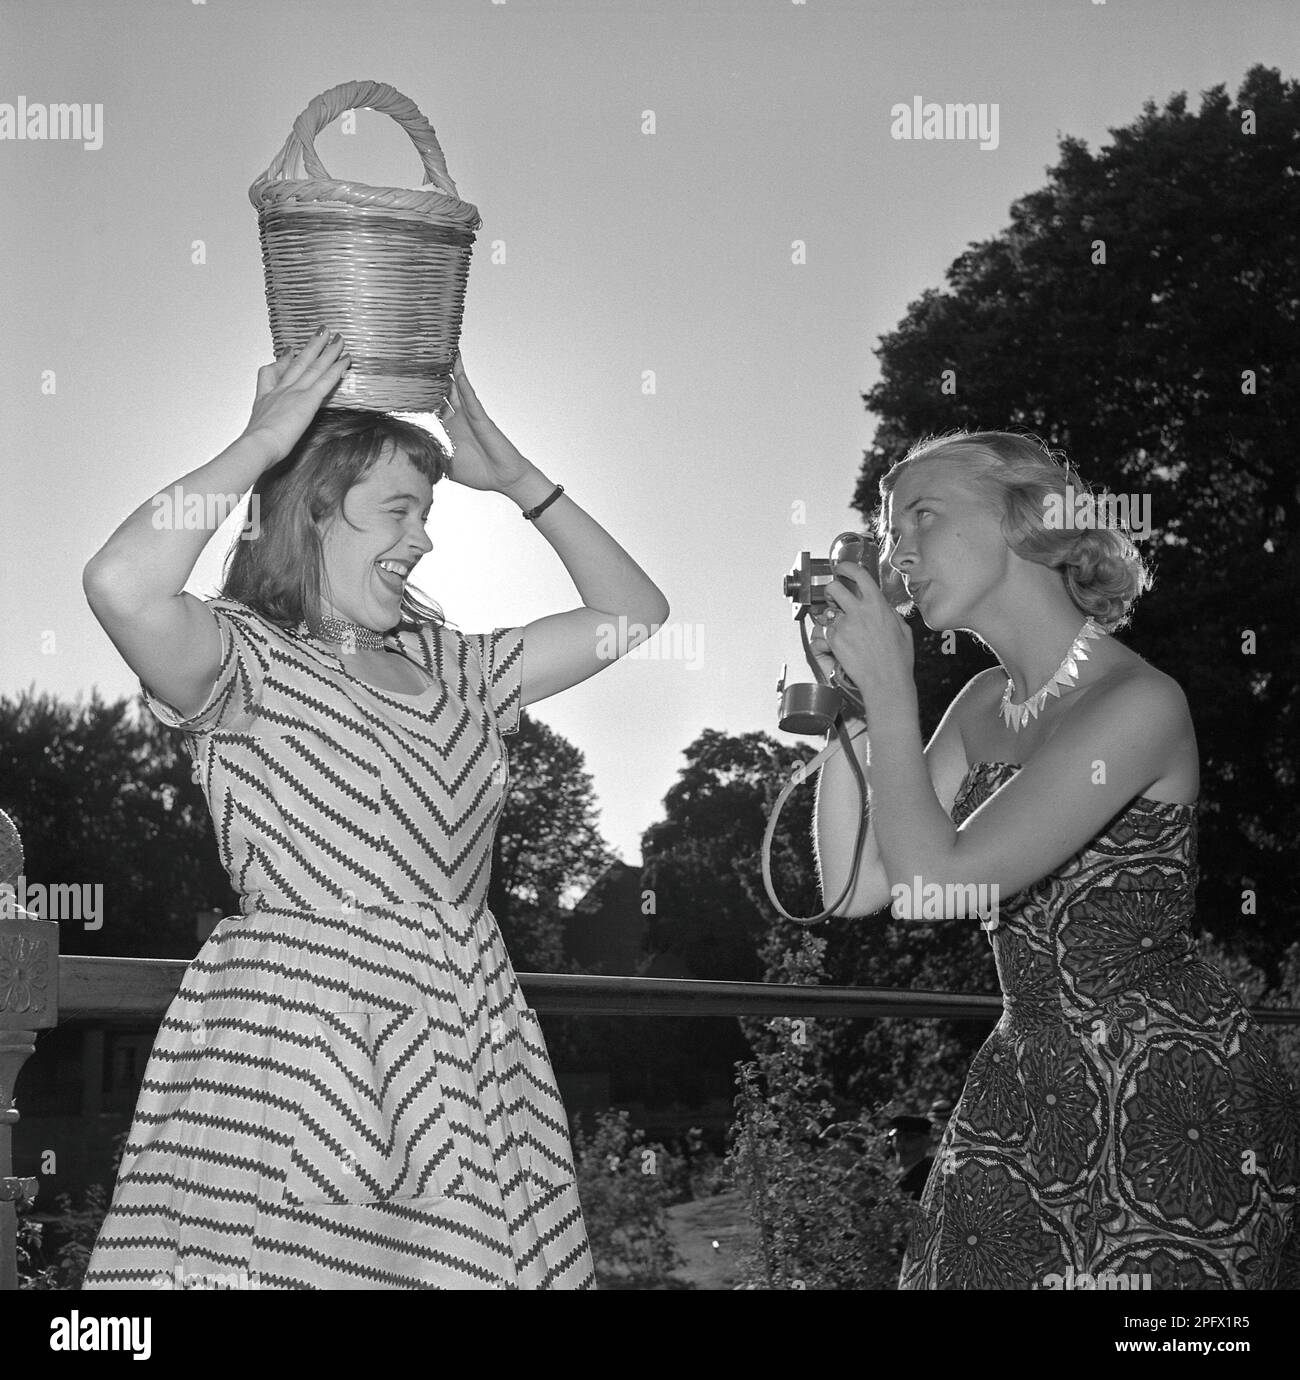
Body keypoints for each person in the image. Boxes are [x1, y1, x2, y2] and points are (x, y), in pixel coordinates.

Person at [80, 330, 668, 1289]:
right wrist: (263, 441)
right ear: (314, 513)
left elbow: (633, 613)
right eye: (399, 509)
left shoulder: (456, 667)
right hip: (302, 1044)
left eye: (426, 512)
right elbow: (120, 584)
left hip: (467, 1036)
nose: (424, 537)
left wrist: (520, 479)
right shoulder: (244, 661)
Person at [812, 430, 1299, 1290]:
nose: (900, 553)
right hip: (1027, 1076)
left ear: (1027, 521)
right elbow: (860, 887)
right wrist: (850, 706)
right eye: (890, 535)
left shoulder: (1138, 699)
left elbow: (942, 885)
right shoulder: (979, 703)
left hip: (1162, 1085)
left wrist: (893, 691)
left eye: (923, 516)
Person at [888, 1115, 935, 1201]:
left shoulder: (928, 1176)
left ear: (926, 1143)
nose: (900, 1146)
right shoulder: (902, 1171)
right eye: (897, 1139)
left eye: (909, 1139)